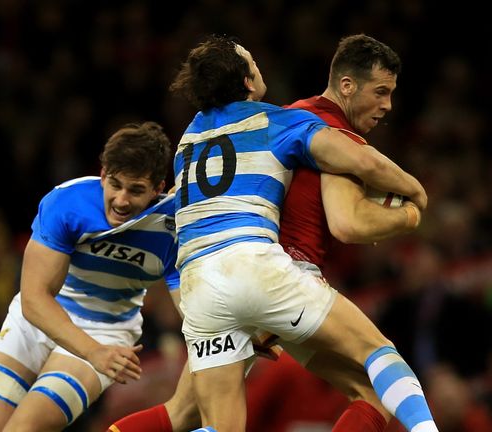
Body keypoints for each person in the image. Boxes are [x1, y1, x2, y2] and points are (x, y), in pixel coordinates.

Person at [107, 34, 423, 432]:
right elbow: (356, 178)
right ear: (246, 81)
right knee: (378, 359)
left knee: (193, 417)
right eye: (252, 62)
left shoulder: (187, 140)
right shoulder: (278, 120)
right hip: (263, 271)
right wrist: (415, 197)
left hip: (201, 287)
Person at [0, 122, 180, 431]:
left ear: (158, 188)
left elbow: (189, 308)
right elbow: (33, 299)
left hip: (106, 332)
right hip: (38, 322)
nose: (121, 200)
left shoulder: (172, 227)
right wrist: (92, 352)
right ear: (103, 173)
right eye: (115, 184)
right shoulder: (68, 202)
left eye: (135, 190)